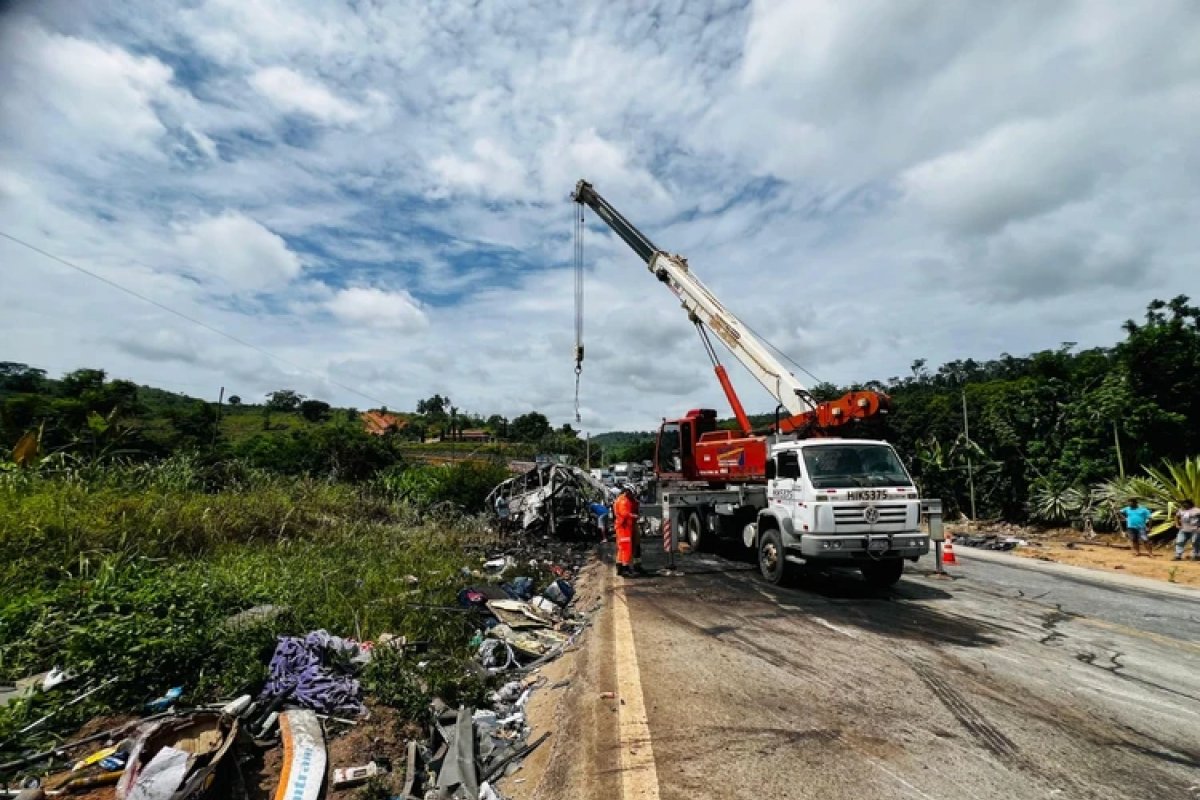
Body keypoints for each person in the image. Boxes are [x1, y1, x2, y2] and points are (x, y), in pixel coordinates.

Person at [613, 484, 642, 577]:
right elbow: (624, 513)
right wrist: (634, 515)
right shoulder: (623, 501)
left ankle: (620, 567)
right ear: (627, 492)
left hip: (624, 526)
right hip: (624, 527)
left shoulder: (624, 499)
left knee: (622, 548)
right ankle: (625, 569)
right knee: (626, 548)